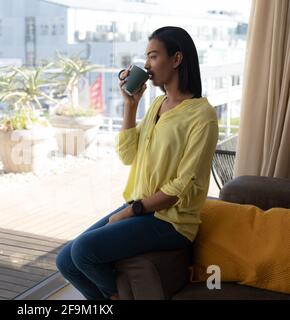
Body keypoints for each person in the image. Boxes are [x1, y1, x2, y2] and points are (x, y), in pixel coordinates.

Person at [55, 26, 219, 300]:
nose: (146, 64)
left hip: (171, 221)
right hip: (141, 207)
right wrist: (130, 106)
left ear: (176, 59)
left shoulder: (203, 116)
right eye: (147, 57)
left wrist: (132, 211)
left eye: (153, 56)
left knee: (83, 251)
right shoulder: (156, 105)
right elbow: (128, 155)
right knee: (66, 261)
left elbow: (183, 185)